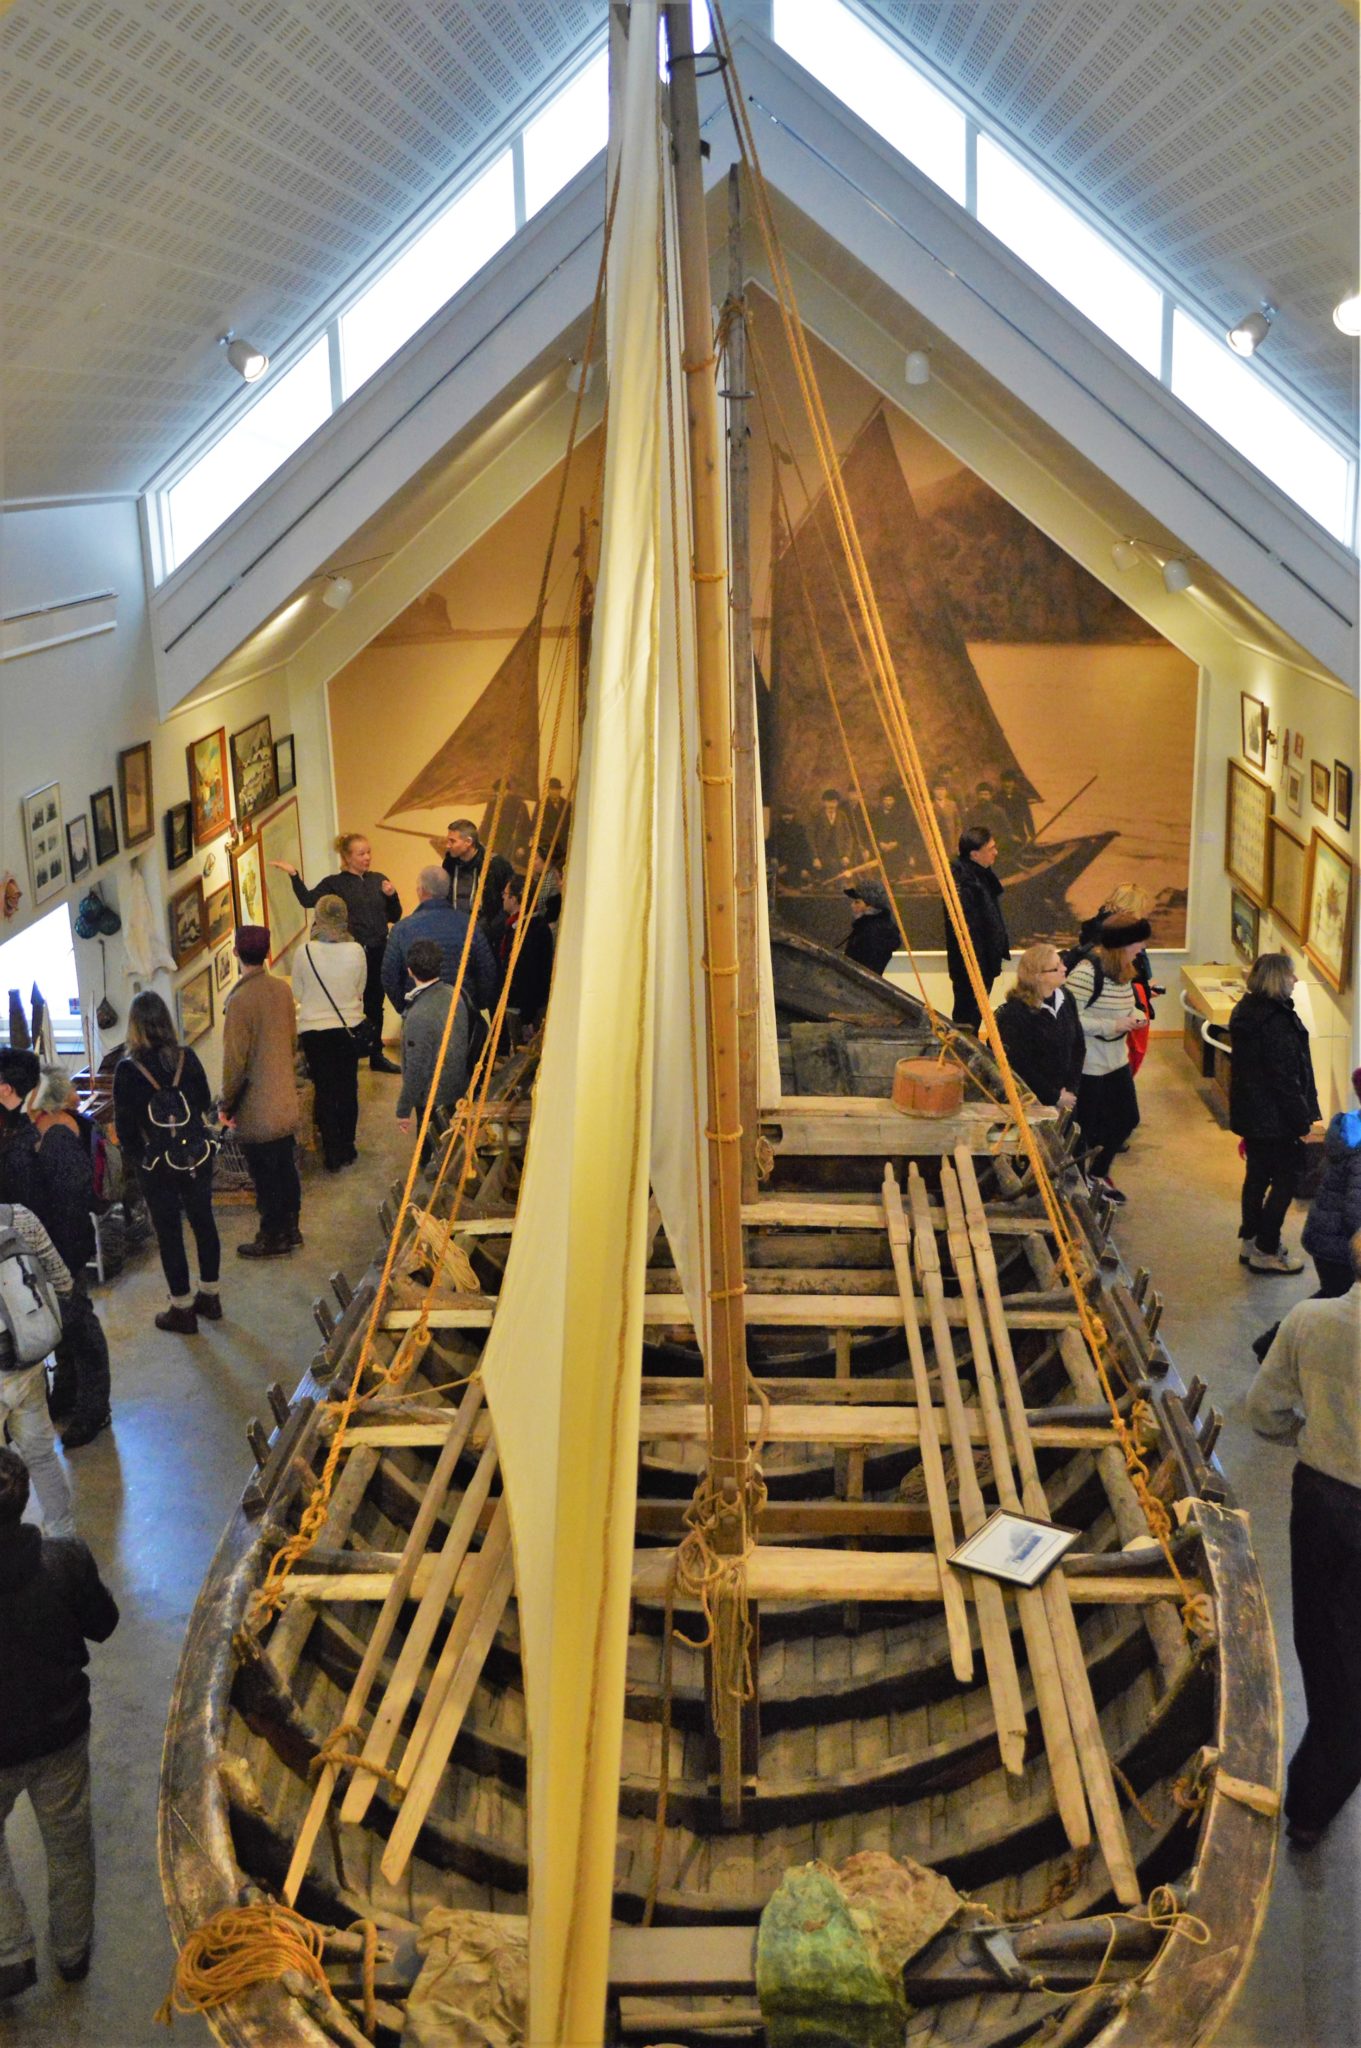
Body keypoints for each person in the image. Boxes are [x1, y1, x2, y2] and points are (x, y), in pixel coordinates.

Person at [1246, 1229, 1361, 1848]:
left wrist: (1313, 1443)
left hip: (1320, 1499)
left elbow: (1264, 1413)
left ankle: (1319, 1775)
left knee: (1319, 1640)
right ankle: (1315, 1799)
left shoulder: (1310, 1319)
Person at [0, 1446, 118, 1999]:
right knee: (69, 1843)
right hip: (60, 1733)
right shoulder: (64, 1559)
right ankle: (71, 1953)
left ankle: (9, 1952)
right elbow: (104, 1624)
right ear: (23, 1500)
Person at [113, 991, 222, 1332]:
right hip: (196, 1156)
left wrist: (139, 1158)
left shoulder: (127, 1071)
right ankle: (211, 1295)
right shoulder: (186, 1058)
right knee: (204, 1222)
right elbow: (204, 1102)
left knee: (170, 1233)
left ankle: (182, 1308)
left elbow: (125, 1128)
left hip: (157, 1163)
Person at [28, 1068, 113, 1450]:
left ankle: (93, 1408)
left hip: (64, 1247)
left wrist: (55, 1255)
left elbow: (65, 1203)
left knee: (78, 1324)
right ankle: (67, 1393)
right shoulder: (57, 1128)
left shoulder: (58, 1135)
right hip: (62, 1246)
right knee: (64, 1324)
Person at [274, 833, 401, 1074]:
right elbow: (308, 899)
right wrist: (294, 875)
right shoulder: (335, 883)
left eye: (369, 852)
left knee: (376, 1004)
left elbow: (394, 916)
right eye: (361, 853)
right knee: (350, 1003)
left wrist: (391, 895)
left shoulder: (378, 880)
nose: (367, 857)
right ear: (346, 857)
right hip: (351, 954)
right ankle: (350, 1050)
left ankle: (375, 1053)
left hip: (377, 950)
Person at [1229, 951, 1319, 1274]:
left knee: (1255, 1177)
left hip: (1252, 1115)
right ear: (1278, 979)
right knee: (1286, 1179)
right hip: (1277, 1119)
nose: (1295, 980)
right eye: (1291, 975)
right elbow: (1286, 1079)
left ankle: (1250, 1239)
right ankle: (1267, 1248)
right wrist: (1302, 1120)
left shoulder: (1246, 1011)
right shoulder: (1277, 1023)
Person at [221, 926, 302, 1260]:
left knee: (265, 1176)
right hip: (284, 1097)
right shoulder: (281, 991)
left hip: (258, 1106)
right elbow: (292, 1042)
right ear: (268, 953)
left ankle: (272, 1236)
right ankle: (292, 1228)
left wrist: (226, 1105)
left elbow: (234, 1063)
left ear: (236, 954)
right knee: (286, 1168)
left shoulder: (239, 1002)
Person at [0, 1204, 76, 1542]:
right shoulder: (19, 1217)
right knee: (43, 1458)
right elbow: (63, 1281)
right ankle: (63, 1540)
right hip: (27, 1365)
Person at [1065, 913, 1149, 1203]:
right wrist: (1112, 1026)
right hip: (1090, 1065)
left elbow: (1127, 1005)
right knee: (1086, 1130)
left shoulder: (1124, 970)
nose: (1141, 948)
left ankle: (1097, 1173)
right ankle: (1082, 1181)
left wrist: (1136, 1017)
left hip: (1116, 1060)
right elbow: (1071, 1018)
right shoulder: (1086, 973)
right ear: (1121, 944)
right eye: (1137, 942)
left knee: (1126, 1119)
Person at [292, 894, 366, 1173]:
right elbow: (360, 988)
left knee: (324, 1089)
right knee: (348, 1087)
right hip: (348, 1027)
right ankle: (348, 1146)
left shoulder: (305, 952)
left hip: (314, 1031)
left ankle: (331, 1151)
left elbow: (298, 992)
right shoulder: (356, 950)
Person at [382, 867, 498, 1018]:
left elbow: (389, 974)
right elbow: (487, 970)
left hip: (419, 1011)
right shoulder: (469, 925)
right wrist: (477, 1004)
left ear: (421, 890)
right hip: (462, 1009)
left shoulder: (402, 929)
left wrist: (404, 1008)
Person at [1077, 884, 1162, 1076]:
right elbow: (1119, 977)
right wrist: (1143, 991)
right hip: (1103, 1056)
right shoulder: (1113, 939)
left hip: (1108, 1052)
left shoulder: (1095, 930)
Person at [993, 944, 1084, 1113]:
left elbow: (1078, 1046)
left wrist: (1070, 1090)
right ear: (1039, 976)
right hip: (1035, 1101)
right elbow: (1020, 1066)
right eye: (1056, 967)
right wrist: (1055, 1097)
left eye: (1062, 963)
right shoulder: (1014, 1015)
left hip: (1067, 1096)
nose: (1065, 968)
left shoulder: (1066, 997)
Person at [396, 939, 471, 1137]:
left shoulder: (419, 1014)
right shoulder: (453, 994)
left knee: (431, 1155)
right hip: (456, 1086)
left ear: (410, 970)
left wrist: (403, 1109)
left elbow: (417, 1068)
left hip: (433, 1096)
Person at [1300, 1066, 1361, 1297]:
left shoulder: (1349, 1128)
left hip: (1326, 1239)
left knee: (1329, 1303)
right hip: (1340, 1249)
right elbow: (1355, 1212)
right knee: (1334, 1303)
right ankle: (1280, 1333)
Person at [943, 825, 1011, 1030]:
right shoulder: (964, 883)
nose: (995, 852)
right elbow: (970, 930)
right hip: (973, 966)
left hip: (981, 964)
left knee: (973, 1015)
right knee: (968, 1017)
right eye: (991, 849)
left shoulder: (978, 876)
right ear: (974, 854)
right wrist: (980, 965)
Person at [494, 873, 555, 1037]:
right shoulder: (532, 926)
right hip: (523, 1005)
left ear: (515, 899)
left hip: (523, 1010)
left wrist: (526, 1016)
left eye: (505, 895)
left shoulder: (528, 931)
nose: (503, 898)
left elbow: (528, 975)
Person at [439, 820, 512, 925]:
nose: (448, 845)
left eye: (452, 841)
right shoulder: (450, 862)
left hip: (484, 931)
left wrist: (489, 929)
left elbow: (506, 903)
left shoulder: (495, 865)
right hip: (454, 926)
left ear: (468, 842)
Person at [841, 879, 897, 975]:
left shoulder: (872, 933)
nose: (852, 905)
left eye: (857, 902)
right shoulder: (868, 929)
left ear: (870, 906)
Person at [808, 788, 859, 879]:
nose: (831, 805)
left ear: (837, 803)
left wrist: (846, 855)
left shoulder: (842, 816)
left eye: (834, 802)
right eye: (829, 802)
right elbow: (811, 838)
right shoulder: (817, 816)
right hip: (821, 857)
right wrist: (815, 857)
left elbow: (849, 837)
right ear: (824, 802)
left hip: (840, 856)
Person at [767, 805, 814, 888]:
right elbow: (771, 845)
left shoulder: (799, 829)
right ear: (781, 815)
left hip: (796, 864)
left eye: (789, 814)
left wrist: (805, 868)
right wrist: (773, 858)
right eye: (784, 814)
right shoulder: (776, 828)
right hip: (781, 863)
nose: (787, 817)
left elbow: (805, 849)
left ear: (793, 815)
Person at [534, 777, 571, 858]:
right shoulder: (541, 805)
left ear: (560, 790)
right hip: (547, 844)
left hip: (563, 845)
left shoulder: (567, 805)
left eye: (557, 789)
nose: (555, 792)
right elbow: (535, 824)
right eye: (552, 789)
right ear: (548, 790)